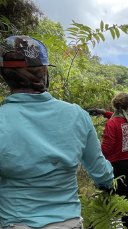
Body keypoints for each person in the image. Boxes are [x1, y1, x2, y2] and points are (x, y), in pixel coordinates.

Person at [0, 35, 114, 228]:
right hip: (67, 223)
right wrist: (108, 179)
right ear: (45, 70)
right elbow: (102, 173)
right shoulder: (77, 115)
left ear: (4, 75)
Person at [99, 92, 128, 229]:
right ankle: (127, 226)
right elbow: (121, 118)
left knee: (110, 201)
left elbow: (106, 149)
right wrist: (104, 112)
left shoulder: (111, 124)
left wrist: (96, 147)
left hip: (115, 166)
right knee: (126, 199)